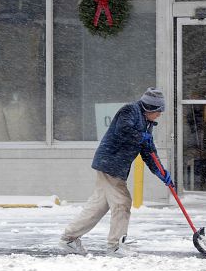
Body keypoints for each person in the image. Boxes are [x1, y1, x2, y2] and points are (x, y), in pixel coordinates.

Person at [58, 87, 174, 255]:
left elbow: (148, 152)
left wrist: (161, 172)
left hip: (114, 166)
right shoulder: (130, 110)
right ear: (150, 108)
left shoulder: (147, 123)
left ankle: (69, 238)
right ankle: (115, 246)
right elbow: (123, 130)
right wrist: (141, 137)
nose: (160, 115)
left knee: (97, 206)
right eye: (158, 111)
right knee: (122, 202)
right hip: (110, 163)